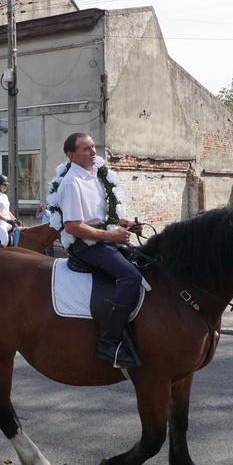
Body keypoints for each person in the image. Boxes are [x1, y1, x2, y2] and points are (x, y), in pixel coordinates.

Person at [55, 133, 143, 369]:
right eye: (85, 149)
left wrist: (125, 225)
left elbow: (102, 217)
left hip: (103, 239)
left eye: (93, 146)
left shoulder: (96, 177)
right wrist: (111, 235)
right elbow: (73, 226)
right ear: (71, 156)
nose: (93, 151)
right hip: (85, 245)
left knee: (145, 263)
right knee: (130, 277)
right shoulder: (72, 183)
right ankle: (109, 342)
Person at [0, 174, 20, 247]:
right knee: (5, 240)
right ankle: (0, 257)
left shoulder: (5, 196)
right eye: (4, 184)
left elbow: (7, 211)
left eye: (6, 185)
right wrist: (7, 220)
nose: (6, 186)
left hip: (8, 222)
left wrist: (15, 220)